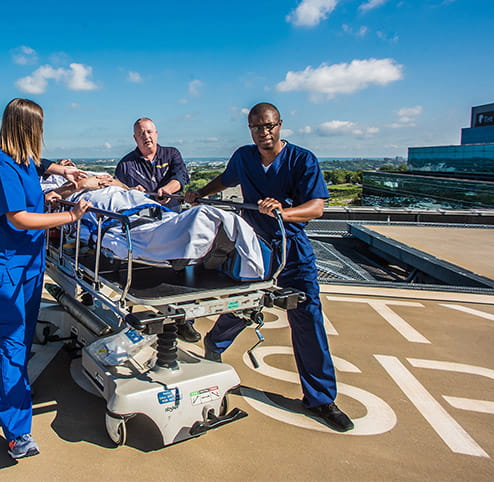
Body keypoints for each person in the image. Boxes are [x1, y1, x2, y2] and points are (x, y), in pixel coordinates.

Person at [184, 102, 354, 432]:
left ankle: (320, 398)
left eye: (269, 126)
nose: (264, 133)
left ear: (280, 125)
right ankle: (215, 344)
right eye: (257, 128)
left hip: (293, 250)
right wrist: (200, 194)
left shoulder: (302, 159)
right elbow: (225, 179)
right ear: (250, 130)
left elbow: (316, 208)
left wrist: (281, 212)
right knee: (242, 304)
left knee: (308, 318)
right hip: (256, 248)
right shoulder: (244, 157)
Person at [0, 98, 90, 459]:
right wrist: (70, 217)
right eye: (38, 128)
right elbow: (19, 218)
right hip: (7, 269)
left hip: (28, 265)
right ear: (27, 129)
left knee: (21, 338)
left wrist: (62, 186)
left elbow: (38, 178)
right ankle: (17, 432)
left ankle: (16, 391)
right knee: (11, 343)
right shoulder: (0, 164)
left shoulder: (24, 163)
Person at [115, 117, 200, 342]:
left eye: (150, 132)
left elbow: (181, 176)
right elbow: (118, 193)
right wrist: (132, 191)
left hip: (173, 222)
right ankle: (135, 318)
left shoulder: (171, 154)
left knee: (181, 276)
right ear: (135, 138)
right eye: (142, 133)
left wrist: (168, 189)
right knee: (145, 278)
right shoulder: (125, 164)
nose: (147, 136)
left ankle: (184, 321)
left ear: (157, 133)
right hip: (145, 226)